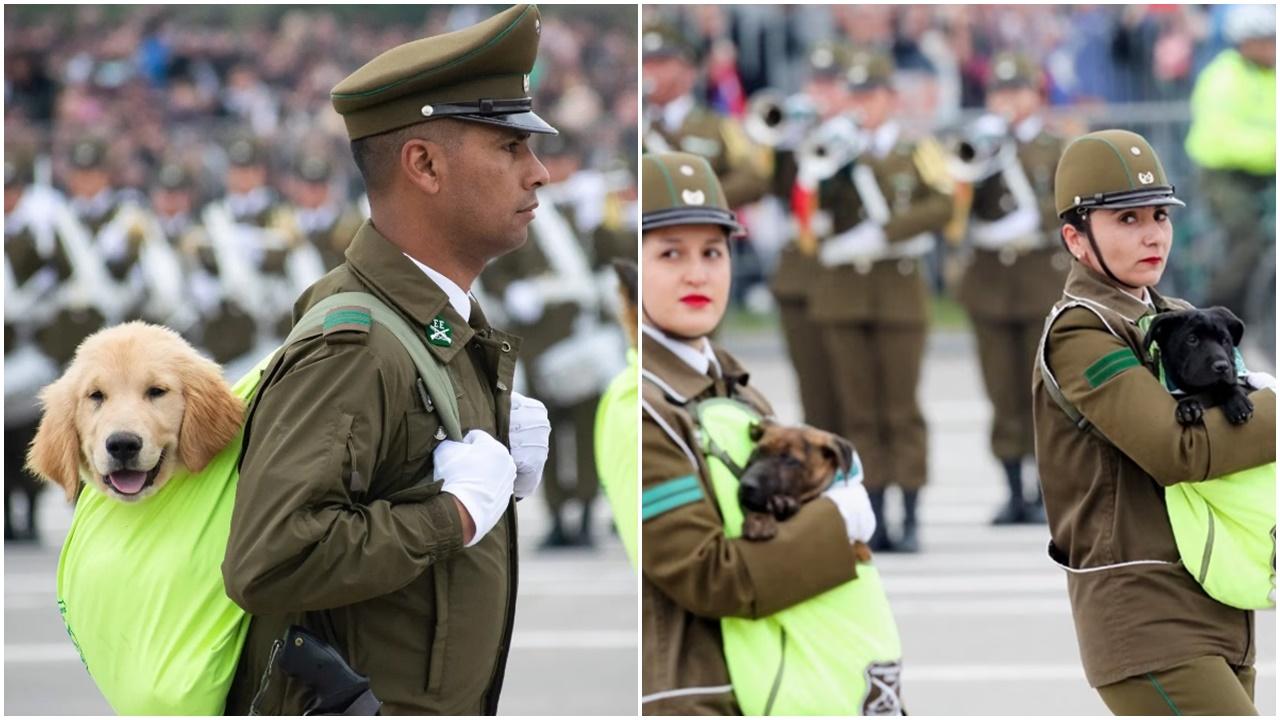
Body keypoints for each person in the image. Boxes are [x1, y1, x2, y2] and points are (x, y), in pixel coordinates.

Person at [221, 5, 555, 714]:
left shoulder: (426, 320)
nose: (539, 173)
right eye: (509, 147)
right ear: (424, 165)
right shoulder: (357, 343)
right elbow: (271, 559)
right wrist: (452, 515)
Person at [1033, 129, 1276, 715]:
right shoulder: (1081, 332)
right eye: (1127, 219)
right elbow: (1177, 449)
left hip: (1217, 596)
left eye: (1160, 215)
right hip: (1146, 613)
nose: (1153, 235)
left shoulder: (1180, 316)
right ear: (1075, 238)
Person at [640, 151, 876, 715]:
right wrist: (835, 521)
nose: (697, 274)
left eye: (713, 252)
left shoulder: (736, 390)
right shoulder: (644, 404)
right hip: (700, 696)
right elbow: (710, 577)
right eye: (670, 253)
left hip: (785, 683)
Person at [810, 50, 953, 553]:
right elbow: (808, 207)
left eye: (871, 95)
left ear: (890, 98)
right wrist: (822, 165)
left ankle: (910, 514)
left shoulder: (915, 149)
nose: (863, 105)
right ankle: (872, 514)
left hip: (899, 291)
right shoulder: (834, 148)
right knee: (858, 411)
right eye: (856, 96)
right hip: (844, 295)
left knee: (901, 407)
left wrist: (890, 231)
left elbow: (943, 202)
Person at [954, 52, 1068, 525]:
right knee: (1001, 390)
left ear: (1035, 95)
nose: (1008, 101)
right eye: (1000, 92)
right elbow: (956, 210)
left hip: (1041, 278)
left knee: (1043, 391)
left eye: (1017, 91)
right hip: (990, 284)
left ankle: (1047, 490)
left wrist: (1034, 222)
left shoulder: (1055, 146)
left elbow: (1070, 199)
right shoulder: (981, 144)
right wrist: (978, 158)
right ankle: (1013, 490)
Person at [1184, 4, 1275, 320]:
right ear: (1246, 43)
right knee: (1248, 240)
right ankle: (1214, 312)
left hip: (1264, 170)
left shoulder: (1271, 75)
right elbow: (1220, 137)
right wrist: (1272, 149)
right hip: (1223, 174)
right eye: (1266, 41)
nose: (1273, 48)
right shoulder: (1222, 77)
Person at [640, 23, 768, 208]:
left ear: (688, 71)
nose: (649, 72)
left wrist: (701, 200)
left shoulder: (718, 125)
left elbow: (753, 178)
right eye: (645, 64)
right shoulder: (639, 125)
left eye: (661, 63)